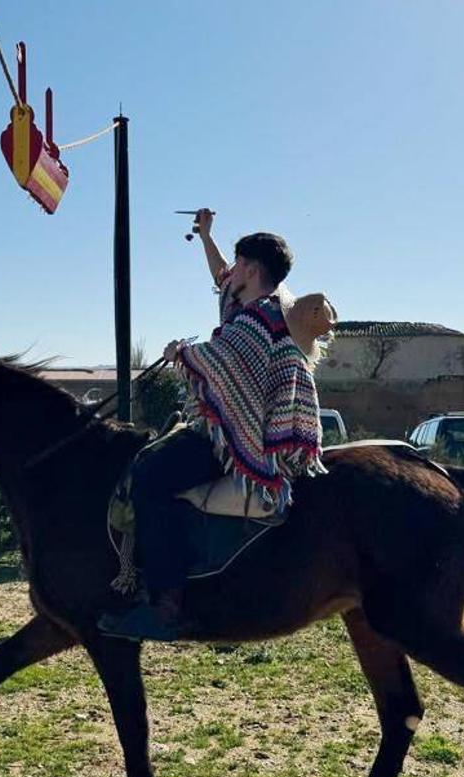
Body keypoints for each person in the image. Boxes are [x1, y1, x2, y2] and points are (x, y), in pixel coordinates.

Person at [99, 209, 333, 641]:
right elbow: (221, 276)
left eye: (240, 264)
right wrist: (207, 235)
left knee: (150, 477)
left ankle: (166, 603)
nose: (231, 272)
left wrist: (182, 353)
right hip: (238, 431)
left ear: (253, 268)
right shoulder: (268, 308)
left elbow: (224, 362)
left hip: (237, 438)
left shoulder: (256, 320)